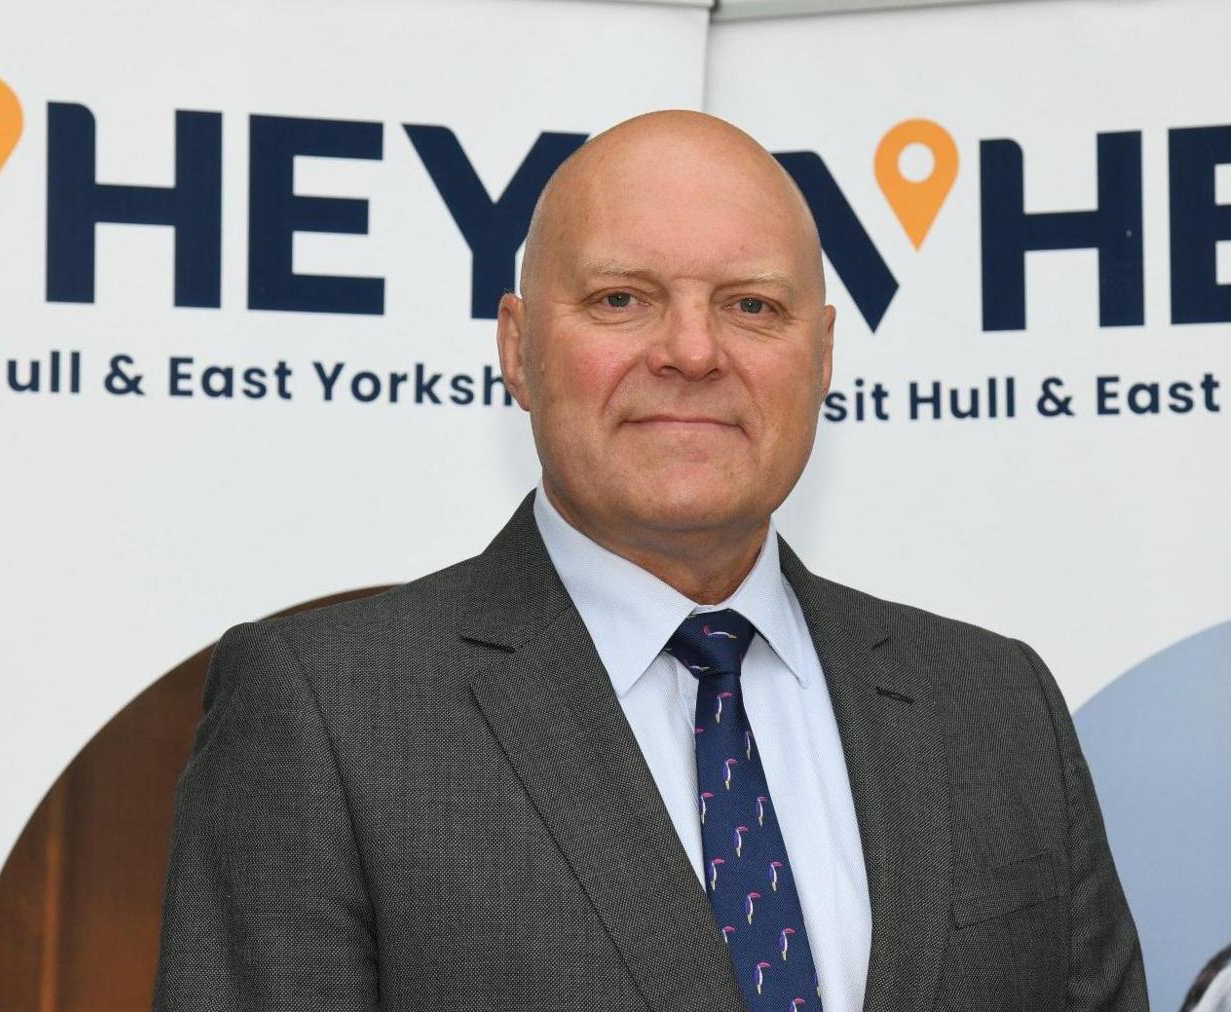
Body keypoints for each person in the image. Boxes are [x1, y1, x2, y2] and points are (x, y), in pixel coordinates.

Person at [153, 110, 1147, 1012]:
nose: (692, 351)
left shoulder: (994, 706)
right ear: (517, 347)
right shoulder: (329, 716)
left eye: (752, 306)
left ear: (825, 352)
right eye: (622, 297)